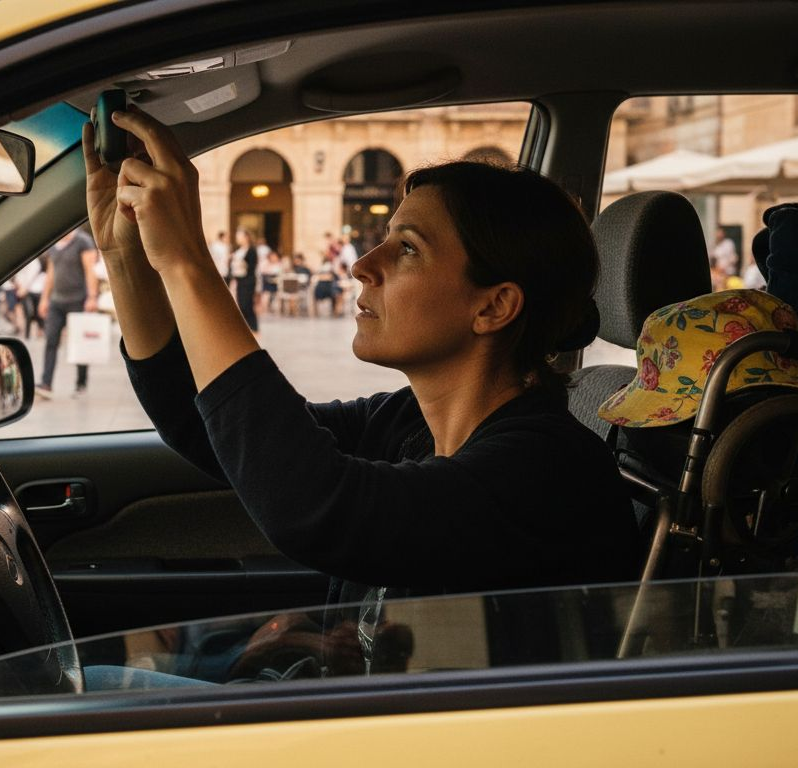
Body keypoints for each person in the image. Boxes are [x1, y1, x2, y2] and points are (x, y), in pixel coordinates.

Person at [83, 108, 638, 680]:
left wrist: (187, 261)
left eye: (408, 250)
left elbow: (314, 507)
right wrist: (125, 260)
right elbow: (209, 428)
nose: (361, 266)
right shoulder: (410, 422)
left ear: (493, 306)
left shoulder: (547, 469)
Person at [37, 228, 100, 399]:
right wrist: (44, 299)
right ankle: (46, 383)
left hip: (78, 300)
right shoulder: (53, 243)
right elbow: (51, 273)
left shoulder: (83, 241)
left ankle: (81, 383)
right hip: (57, 302)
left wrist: (92, 297)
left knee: (79, 344)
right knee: (51, 340)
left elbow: (90, 271)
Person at [229, 228, 260, 332]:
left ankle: (254, 328)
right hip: (240, 281)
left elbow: (251, 267)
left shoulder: (251, 250)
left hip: (248, 281)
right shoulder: (238, 250)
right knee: (241, 305)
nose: (237, 239)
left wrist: (239, 262)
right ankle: (245, 329)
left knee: (247, 305)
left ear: (246, 237)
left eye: (239, 236)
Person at [711, 227, 738, 291]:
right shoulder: (716, 245)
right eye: (717, 233)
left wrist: (724, 268)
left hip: (728, 271)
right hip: (719, 273)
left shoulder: (728, 243)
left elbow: (733, 258)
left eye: (720, 233)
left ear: (723, 233)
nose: (719, 235)